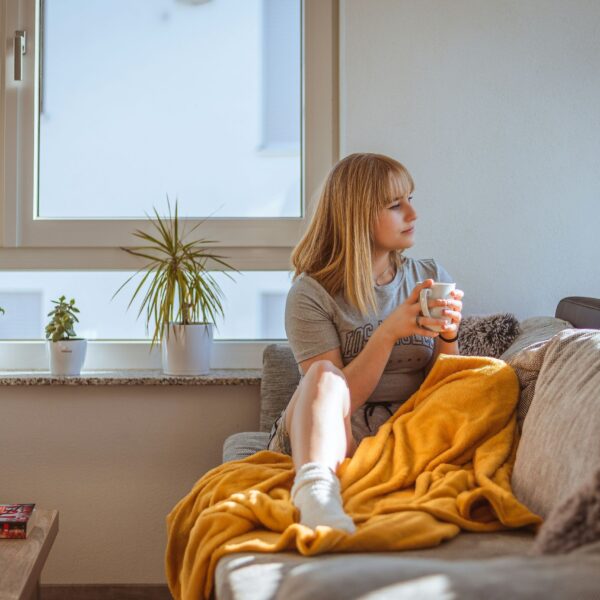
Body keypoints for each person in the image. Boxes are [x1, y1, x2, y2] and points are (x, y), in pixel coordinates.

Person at [267, 153, 464, 533]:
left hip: (404, 427)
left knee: (491, 380)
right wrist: (388, 332)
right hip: (327, 428)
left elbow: (445, 389)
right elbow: (338, 398)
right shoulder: (311, 294)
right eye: (396, 205)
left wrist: (448, 335)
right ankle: (316, 492)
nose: (413, 213)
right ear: (356, 216)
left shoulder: (429, 276)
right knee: (323, 374)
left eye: (411, 198)